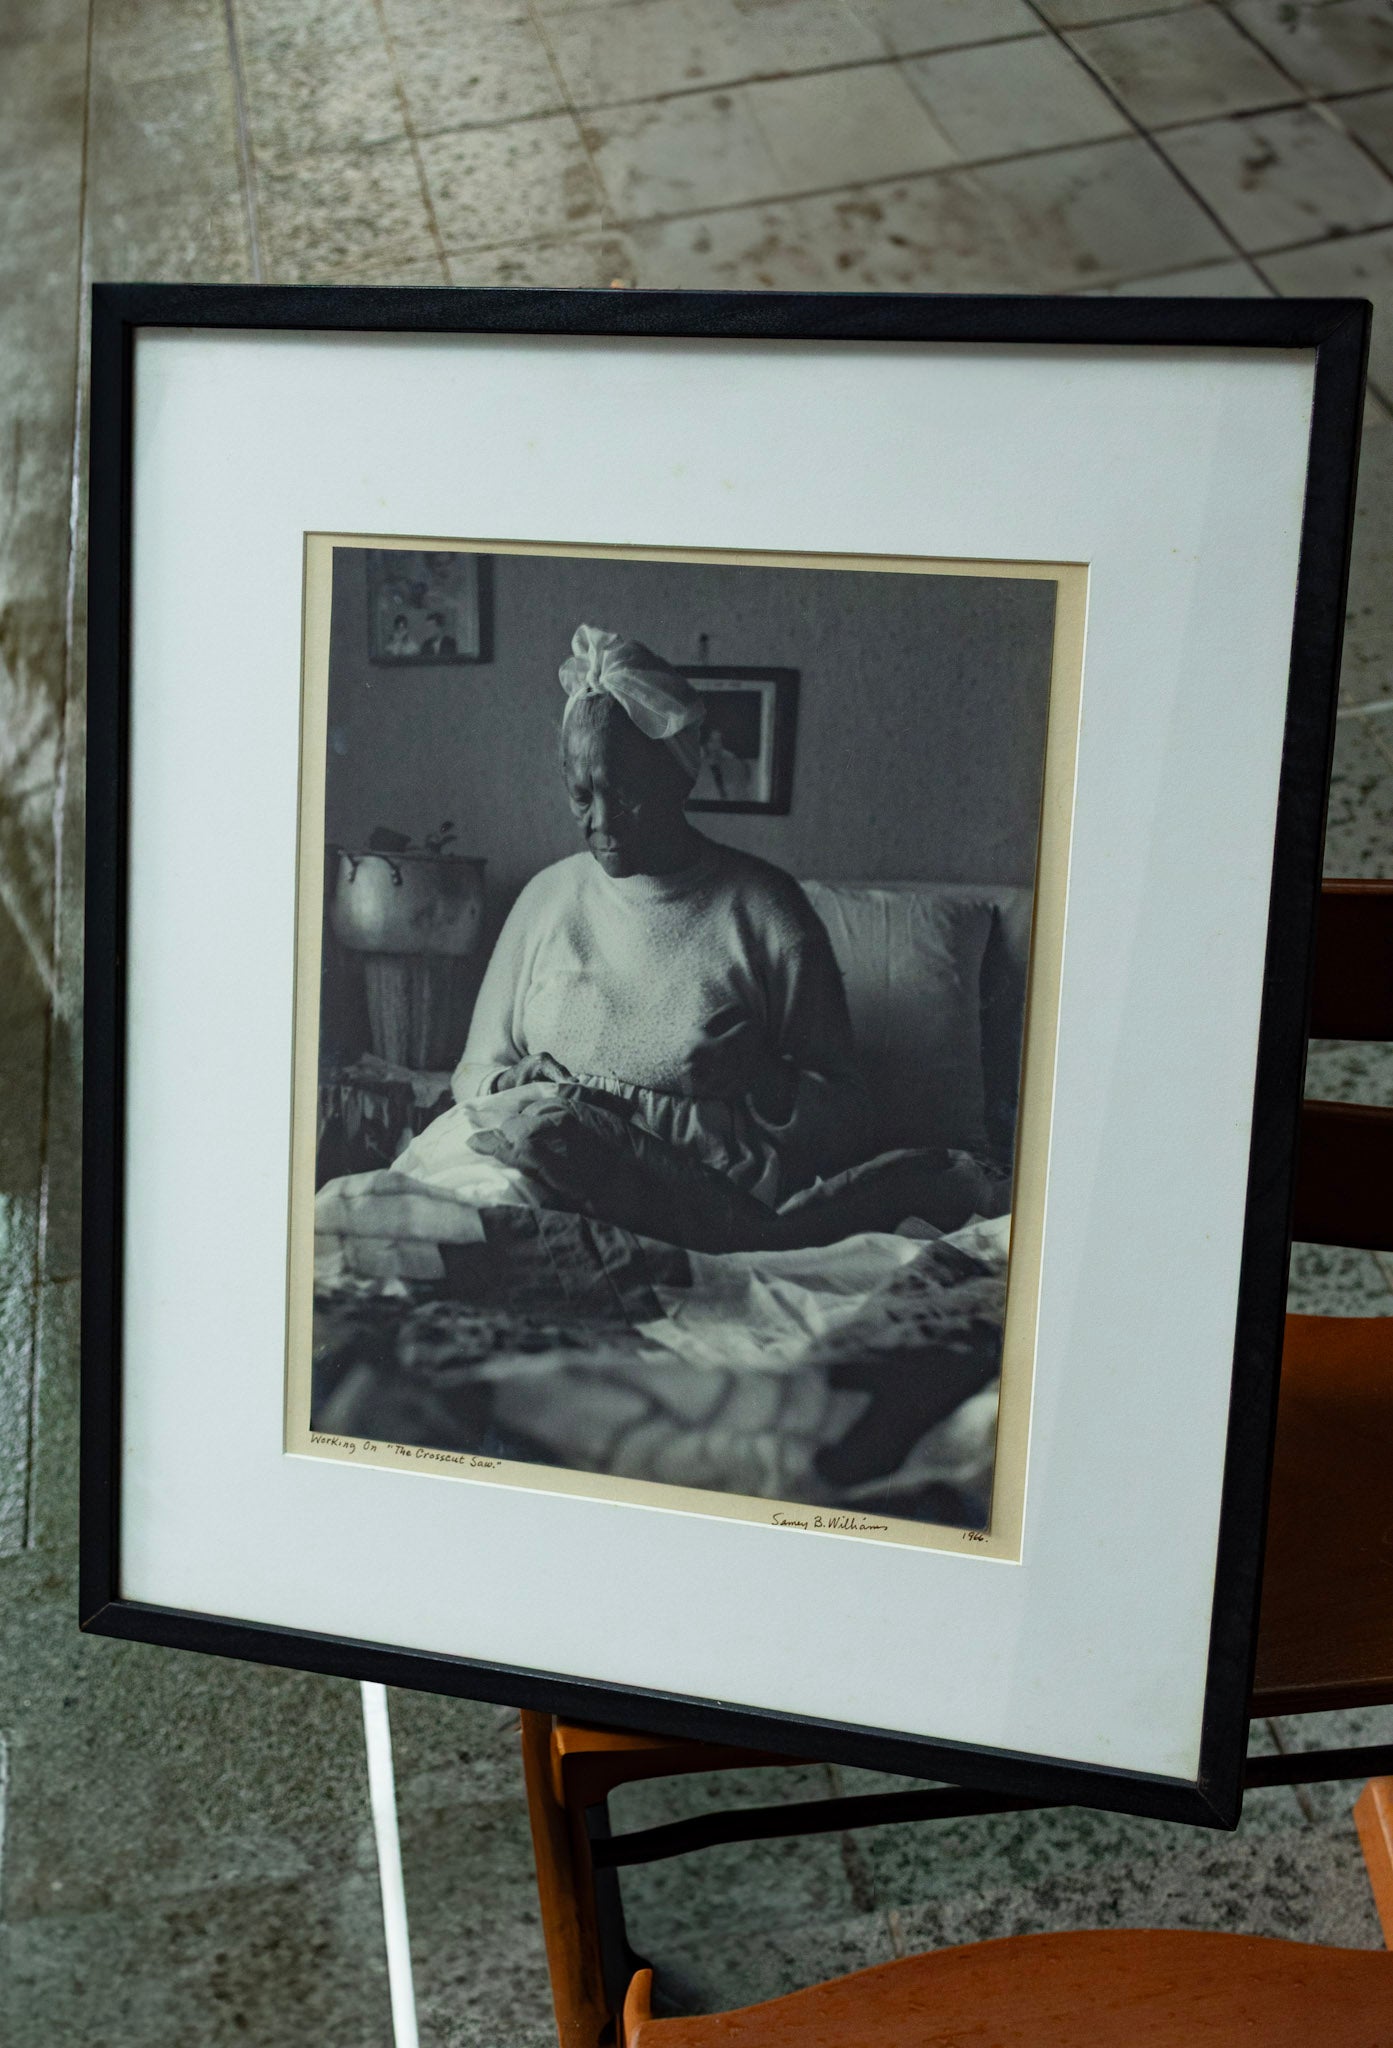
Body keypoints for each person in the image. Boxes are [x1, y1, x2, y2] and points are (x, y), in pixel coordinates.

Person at [451, 624, 869, 1205]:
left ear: (679, 776)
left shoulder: (768, 910)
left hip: (697, 1192)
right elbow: (472, 1074)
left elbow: (849, 1119)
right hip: (540, 1168)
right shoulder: (546, 899)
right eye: (581, 795)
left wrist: (765, 1078)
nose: (602, 822)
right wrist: (507, 1081)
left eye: (625, 793)